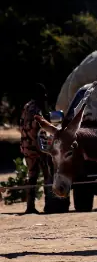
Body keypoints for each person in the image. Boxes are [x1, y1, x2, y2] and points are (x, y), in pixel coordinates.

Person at [18, 83, 51, 214]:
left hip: (27, 145)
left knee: (32, 175)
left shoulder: (27, 106)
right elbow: (37, 130)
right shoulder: (36, 109)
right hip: (36, 147)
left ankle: (30, 205)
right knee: (46, 174)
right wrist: (43, 148)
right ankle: (49, 203)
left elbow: (22, 125)